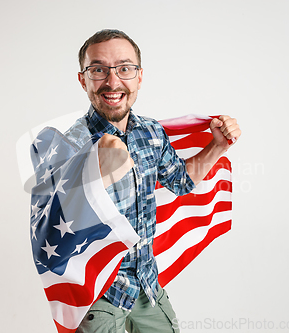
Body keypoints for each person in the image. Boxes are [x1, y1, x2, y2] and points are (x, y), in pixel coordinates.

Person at [62, 29, 241, 333]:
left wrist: (218, 145)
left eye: (124, 68)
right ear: (83, 79)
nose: (112, 80)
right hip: (99, 295)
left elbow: (180, 182)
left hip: (147, 286)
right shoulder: (69, 145)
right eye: (98, 70)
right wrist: (97, 169)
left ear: (140, 76)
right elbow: (58, 220)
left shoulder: (151, 132)